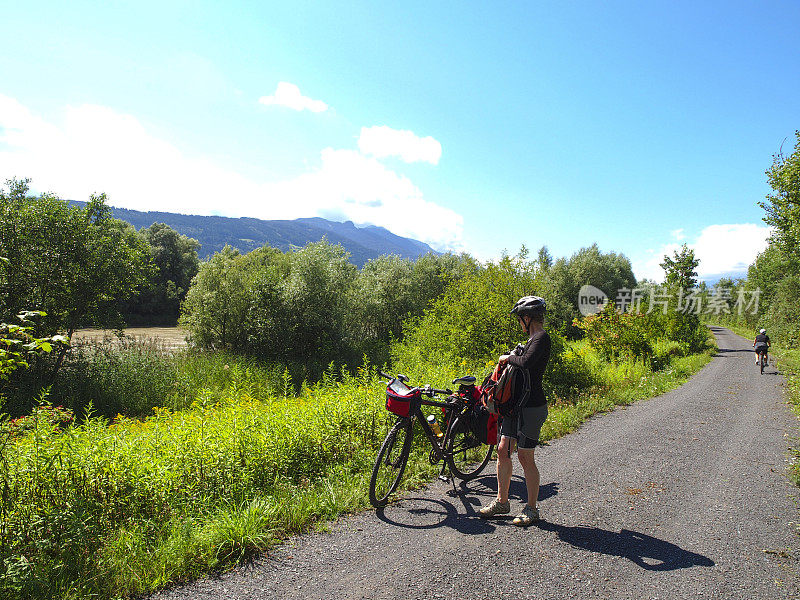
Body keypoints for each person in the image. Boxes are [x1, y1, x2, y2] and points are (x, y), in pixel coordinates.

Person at [479, 295, 551, 526]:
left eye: (520, 319)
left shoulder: (541, 338)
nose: (520, 323)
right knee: (502, 450)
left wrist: (508, 357)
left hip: (531, 408)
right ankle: (502, 501)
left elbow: (526, 363)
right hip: (514, 407)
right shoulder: (531, 339)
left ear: (528, 318)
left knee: (525, 456)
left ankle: (531, 508)